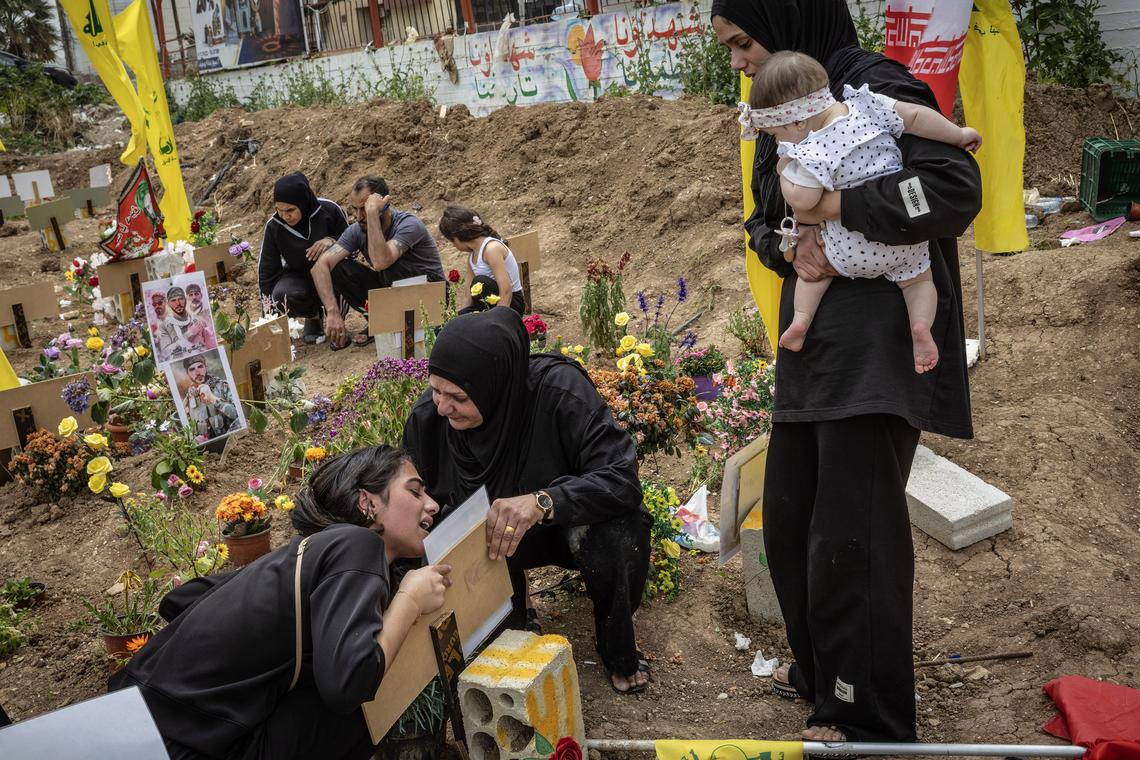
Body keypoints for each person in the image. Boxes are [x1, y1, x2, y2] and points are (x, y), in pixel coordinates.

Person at [711, 0, 980, 743]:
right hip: (814, 353)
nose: (739, 61)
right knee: (795, 529)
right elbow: (764, 220)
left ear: (787, 18)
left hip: (879, 347)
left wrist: (840, 204)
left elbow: (953, 190)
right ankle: (826, 673)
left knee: (852, 538)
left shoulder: (869, 88)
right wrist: (784, 247)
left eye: (743, 41)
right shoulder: (777, 107)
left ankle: (869, 719)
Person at [109, 446, 452, 760]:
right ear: (367, 503)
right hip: (183, 745)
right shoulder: (357, 544)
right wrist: (408, 600)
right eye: (415, 490)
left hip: (137, 721)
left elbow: (180, 599)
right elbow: (347, 686)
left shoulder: (305, 554)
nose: (432, 503)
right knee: (368, 698)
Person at [402, 309, 653, 694]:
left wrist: (544, 501)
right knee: (503, 650)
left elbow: (621, 478)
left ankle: (614, 641)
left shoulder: (557, 392)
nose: (442, 407)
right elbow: (418, 500)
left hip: (566, 527)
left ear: (496, 385)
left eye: (458, 397)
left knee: (621, 529)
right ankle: (513, 617)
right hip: (491, 543)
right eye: (435, 390)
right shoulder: (430, 417)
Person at [740, 51, 982, 371]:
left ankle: (801, 321)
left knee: (812, 276)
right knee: (920, 283)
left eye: (776, 134)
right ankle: (920, 327)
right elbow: (916, 118)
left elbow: (805, 201)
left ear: (798, 120)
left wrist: (785, 168)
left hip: (848, 250)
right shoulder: (869, 104)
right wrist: (958, 134)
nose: (778, 142)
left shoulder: (813, 149)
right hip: (903, 242)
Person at [311, 176, 445, 349]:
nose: (358, 217)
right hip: (396, 294)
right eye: (356, 210)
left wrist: (373, 214)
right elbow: (319, 267)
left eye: (364, 209)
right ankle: (384, 324)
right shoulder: (357, 230)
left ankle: (413, 327)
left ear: (384, 204)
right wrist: (332, 311)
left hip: (433, 296)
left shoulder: (409, 224)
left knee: (391, 266)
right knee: (339, 269)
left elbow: (381, 261)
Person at [257, 172, 349, 344]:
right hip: (299, 278)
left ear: (303, 202)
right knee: (281, 294)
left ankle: (336, 318)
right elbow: (267, 272)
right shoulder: (274, 226)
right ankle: (313, 315)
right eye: (279, 209)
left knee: (345, 274)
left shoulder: (329, 210)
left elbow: (354, 246)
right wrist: (269, 319)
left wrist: (332, 241)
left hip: (332, 275)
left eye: (290, 210)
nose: (284, 216)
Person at [437, 205, 526, 314]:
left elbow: (506, 291)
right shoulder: (472, 256)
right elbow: (468, 297)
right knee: (447, 327)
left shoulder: (492, 249)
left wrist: (499, 319)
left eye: (452, 242)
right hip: (488, 305)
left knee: (480, 282)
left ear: (456, 238)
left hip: (509, 304)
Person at [181, 355, 240, 442]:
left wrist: (212, 398)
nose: (197, 372)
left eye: (200, 366)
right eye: (192, 369)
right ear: (187, 373)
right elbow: (190, 428)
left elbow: (238, 415)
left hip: (231, 440)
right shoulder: (188, 398)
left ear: (206, 367)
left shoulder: (223, 386)